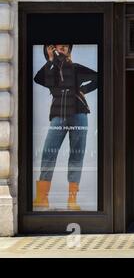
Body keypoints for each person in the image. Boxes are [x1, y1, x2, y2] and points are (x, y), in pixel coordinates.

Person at [33, 44, 97, 211]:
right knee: (48, 152)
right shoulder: (51, 71)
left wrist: (83, 89)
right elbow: (37, 78)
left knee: (77, 155)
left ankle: (72, 199)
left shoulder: (76, 68)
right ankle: (42, 198)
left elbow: (99, 77)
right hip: (58, 114)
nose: (61, 48)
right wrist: (51, 60)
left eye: (64, 46)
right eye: (56, 46)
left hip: (79, 112)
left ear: (69, 50)